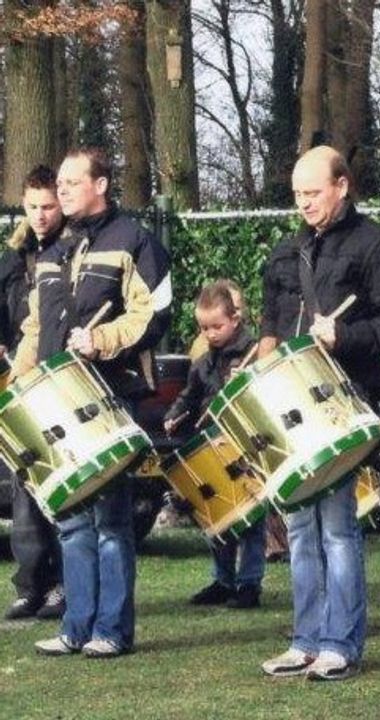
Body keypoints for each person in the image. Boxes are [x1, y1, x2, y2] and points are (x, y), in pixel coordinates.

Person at [257, 146, 380, 681]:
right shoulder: (286, 251)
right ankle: (306, 640)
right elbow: (273, 324)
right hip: (295, 403)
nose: (303, 203)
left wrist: (345, 334)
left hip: (349, 397)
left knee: (338, 527)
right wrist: (262, 359)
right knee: (301, 525)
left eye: (313, 192)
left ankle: (340, 644)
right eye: (297, 194)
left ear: (342, 186)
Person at [24, 148, 173, 658]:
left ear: (102, 183)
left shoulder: (135, 240)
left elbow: (157, 312)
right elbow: (36, 326)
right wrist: (18, 381)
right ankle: (76, 627)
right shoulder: (51, 248)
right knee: (70, 518)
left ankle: (111, 630)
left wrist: (103, 339)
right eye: (58, 183)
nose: (61, 190)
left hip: (110, 392)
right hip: (55, 398)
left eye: (71, 181)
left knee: (111, 521)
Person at [163, 280, 265, 610]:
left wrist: (248, 381)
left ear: (236, 318)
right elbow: (189, 396)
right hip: (212, 444)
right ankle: (223, 580)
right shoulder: (202, 363)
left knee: (251, 517)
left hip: (244, 444)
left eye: (217, 326)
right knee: (214, 512)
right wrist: (176, 413)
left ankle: (249, 583)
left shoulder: (256, 353)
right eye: (204, 327)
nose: (211, 334)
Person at [1, 165, 66, 622]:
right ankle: (30, 587)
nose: (40, 215)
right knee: (24, 491)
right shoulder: (11, 259)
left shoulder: (70, 250)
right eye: (33, 207)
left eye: (48, 206)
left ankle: (63, 584)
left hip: (59, 381)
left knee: (57, 488)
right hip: (18, 382)